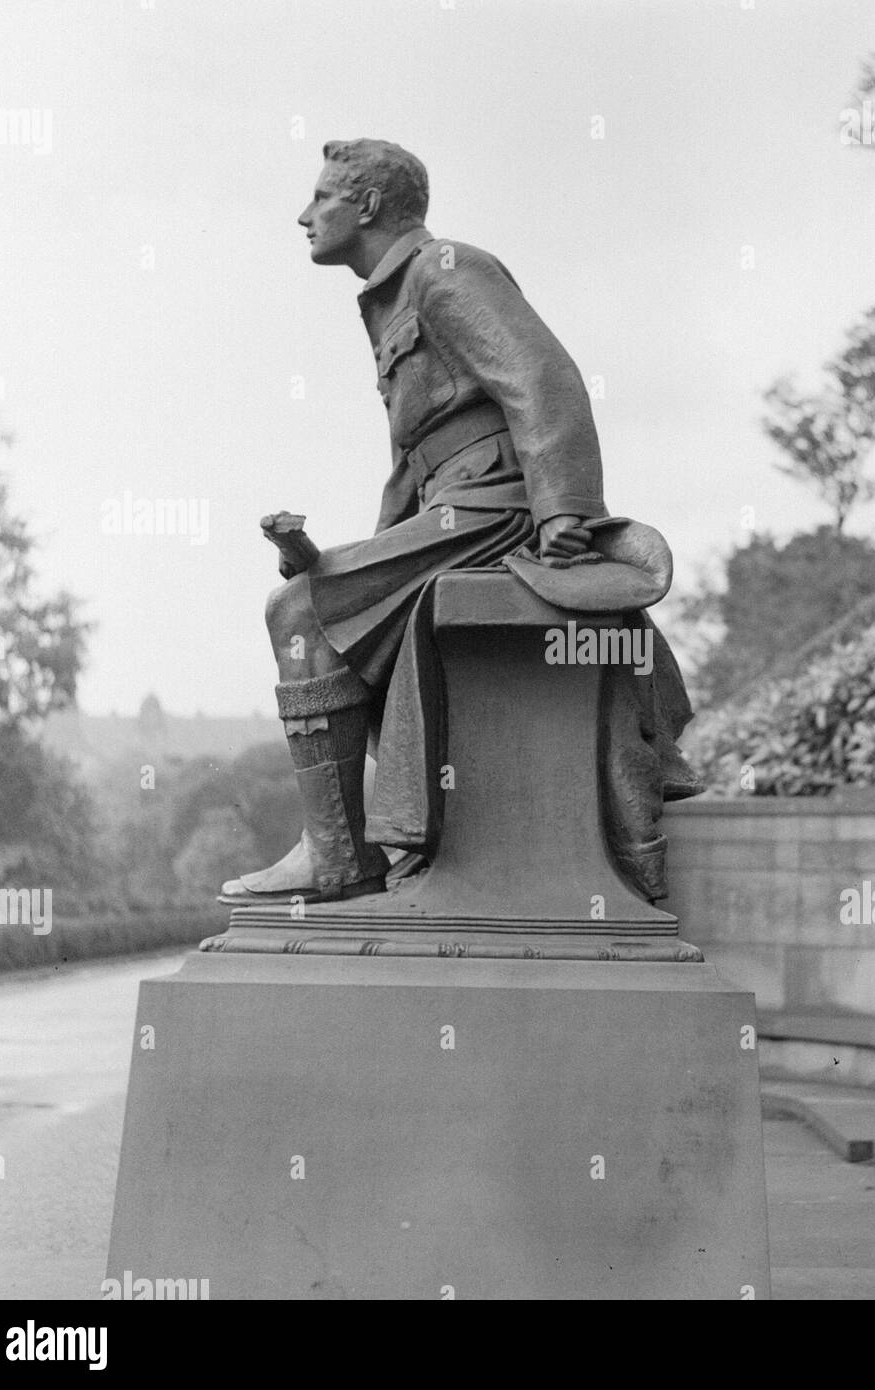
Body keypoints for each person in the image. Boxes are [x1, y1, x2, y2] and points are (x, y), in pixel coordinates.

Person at [222, 140, 698, 904]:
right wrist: (337, 558)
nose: (304, 216)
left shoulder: (445, 270)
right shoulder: (392, 297)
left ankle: (336, 855)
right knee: (311, 600)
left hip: (497, 513)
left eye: (321, 199)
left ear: (369, 204)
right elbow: (413, 461)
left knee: (299, 614)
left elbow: (543, 378)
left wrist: (563, 510)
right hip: (454, 510)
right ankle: (339, 853)